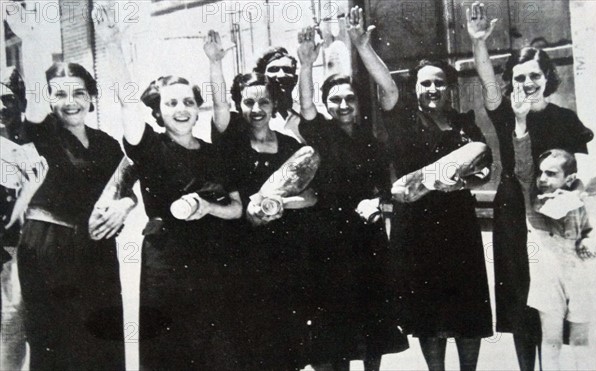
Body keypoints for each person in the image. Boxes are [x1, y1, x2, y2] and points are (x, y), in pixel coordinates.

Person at [97, 17, 244, 370]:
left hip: (214, 263)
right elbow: (128, 103)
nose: (181, 110)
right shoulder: (150, 148)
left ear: (197, 108)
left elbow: (237, 209)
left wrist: (214, 63)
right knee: (170, 354)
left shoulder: (214, 152)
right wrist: (113, 46)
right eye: (172, 103)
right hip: (167, 266)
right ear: (159, 112)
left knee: (219, 354)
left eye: (188, 102)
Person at [5, 7, 138, 369]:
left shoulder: (107, 144)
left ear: (91, 96)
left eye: (78, 93)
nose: (70, 102)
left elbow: (127, 185)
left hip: (96, 253)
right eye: (60, 94)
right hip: (48, 249)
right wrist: (32, 41)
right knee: (55, 344)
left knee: (103, 342)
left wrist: (126, 205)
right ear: (49, 99)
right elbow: (32, 100)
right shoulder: (44, 133)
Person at [467, 2, 594, 369]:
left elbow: (580, 173)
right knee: (522, 295)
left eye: (534, 76)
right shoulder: (506, 111)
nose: (527, 83)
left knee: (558, 294)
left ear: (547, 77)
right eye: (520, 77)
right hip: (513, 209)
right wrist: (478, 42)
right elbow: (489, 82)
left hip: (559, 212)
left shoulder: (566, 119)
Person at [297, 7, 408, 370]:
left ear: (358, 104)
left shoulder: (370, 139)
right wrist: (306, 63)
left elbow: (382, 186)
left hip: (368, 234)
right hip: (329, 238)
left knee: (374, 315)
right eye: (336, 100)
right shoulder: (320, 133)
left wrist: (376, 201)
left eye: (349, 99)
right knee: (339, 322)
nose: (343, 105)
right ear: (328, 106)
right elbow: (306, 103)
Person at [208, 29, 318, 370]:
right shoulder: (230, 143)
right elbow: (218, 104)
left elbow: (311, 196)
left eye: (264, 102)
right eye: (249, 102)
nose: (256, 109)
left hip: (287, 254)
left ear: (274, 106)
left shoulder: (290, 147)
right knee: (250, 343)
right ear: (240, 105)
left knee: (288, 344)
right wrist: (215, 64)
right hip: (244, 255)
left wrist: (280, 204)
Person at [384, 54, 494, 369]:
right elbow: (385, 86)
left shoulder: (465, 124)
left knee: (467, 306)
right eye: (426, 83)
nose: (433, 89)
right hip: (418, 226)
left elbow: (484, 168)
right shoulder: (402, 122)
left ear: (449, 88)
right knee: (429, 312)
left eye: (439, 83)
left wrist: (464, 184)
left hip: (458, 222)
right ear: (414, 88)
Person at [514, 146, 596, 370]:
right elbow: (523, 168)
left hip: (579, 272)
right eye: (541, 173)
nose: (542, 178)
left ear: (569, 178)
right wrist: (521, 124)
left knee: (580, 341)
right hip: (548, 274)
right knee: (551, 340)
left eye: (551, 174)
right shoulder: (536, 202)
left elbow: (590, 229)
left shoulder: (578, 198)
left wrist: (590, 239)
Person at [0, 66, 28, 371]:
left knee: (14, 326)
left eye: (8, 99)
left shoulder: (29, 139)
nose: (1, 107)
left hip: (23, 251)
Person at [253, 46, 304, 142]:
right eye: (273, 69)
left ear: (295, 79)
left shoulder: (308, 115)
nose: (281, 75)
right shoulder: (253, 116)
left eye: (287, 70)